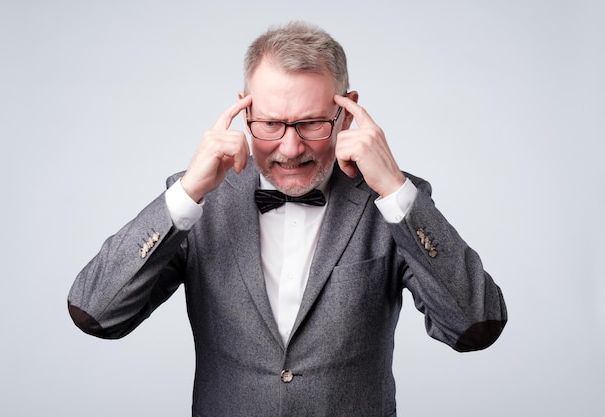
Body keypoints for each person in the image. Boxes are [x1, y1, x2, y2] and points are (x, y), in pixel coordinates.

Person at [68, 21, 507, 416]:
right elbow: (97, 313)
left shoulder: (391, 200)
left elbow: (474, 326)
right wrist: (186, 194)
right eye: (271, 124)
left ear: (348, 110)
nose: (291, 148)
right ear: (243, 110)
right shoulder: (200, 203)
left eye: (312, 123)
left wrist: (394, 188)